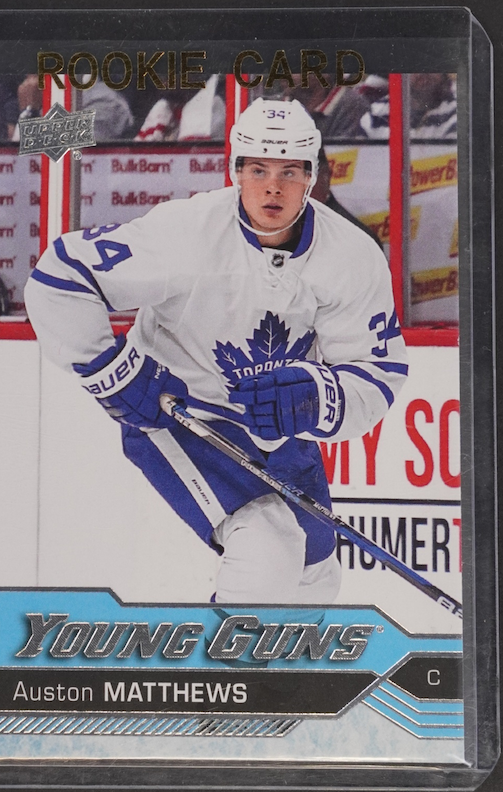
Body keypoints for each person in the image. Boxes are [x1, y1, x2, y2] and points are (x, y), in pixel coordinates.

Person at [25, 98, 408, 606]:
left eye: (290, 172)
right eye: (258, 170)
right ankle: (228, 659)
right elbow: (60, 274)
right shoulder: (187, 232)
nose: (273, 187)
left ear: (312, 177)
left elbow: (376, 370)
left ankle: (266, 660)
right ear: (235, 171)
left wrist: (318, 397)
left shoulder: (351, 256)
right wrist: (114, 371)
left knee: (314, 577)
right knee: (269, 548)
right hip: (179, 414)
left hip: (274, 429)